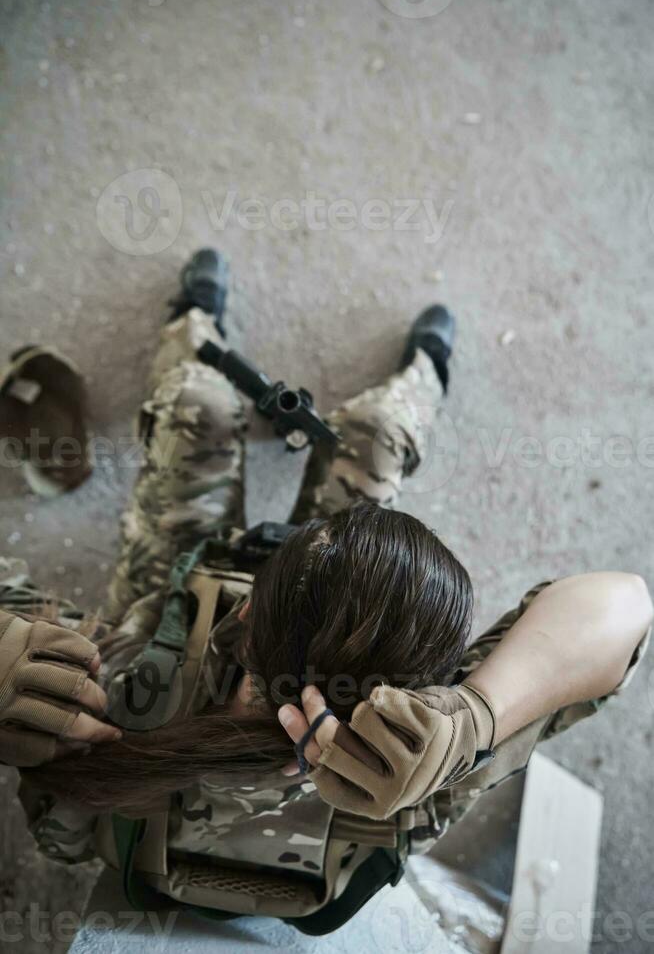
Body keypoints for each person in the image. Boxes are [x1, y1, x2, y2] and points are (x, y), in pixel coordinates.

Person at [0, 250, 651, 924]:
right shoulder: (414, 785)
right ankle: (426, 368)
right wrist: (479, 717)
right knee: (377, 431)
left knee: (200, 402)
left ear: (242, 607)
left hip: (172, 596)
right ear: (424, 686)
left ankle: (192, 329)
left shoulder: (111, 690)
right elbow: (627, 603)